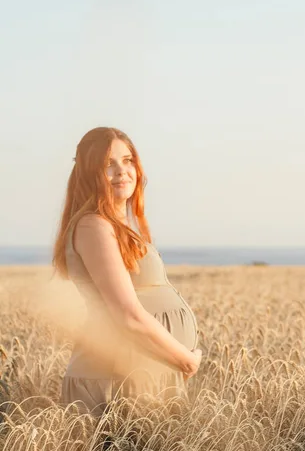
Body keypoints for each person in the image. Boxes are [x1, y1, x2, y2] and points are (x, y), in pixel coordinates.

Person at [52, 126, 202, 417]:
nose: (121, 171)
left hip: (142, 374)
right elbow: (128, 316)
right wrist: (186, 360)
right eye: (108, 164)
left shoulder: (117, 226)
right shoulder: (93, 226)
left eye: (128, 160)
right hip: (115, 380)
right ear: (88, 173)